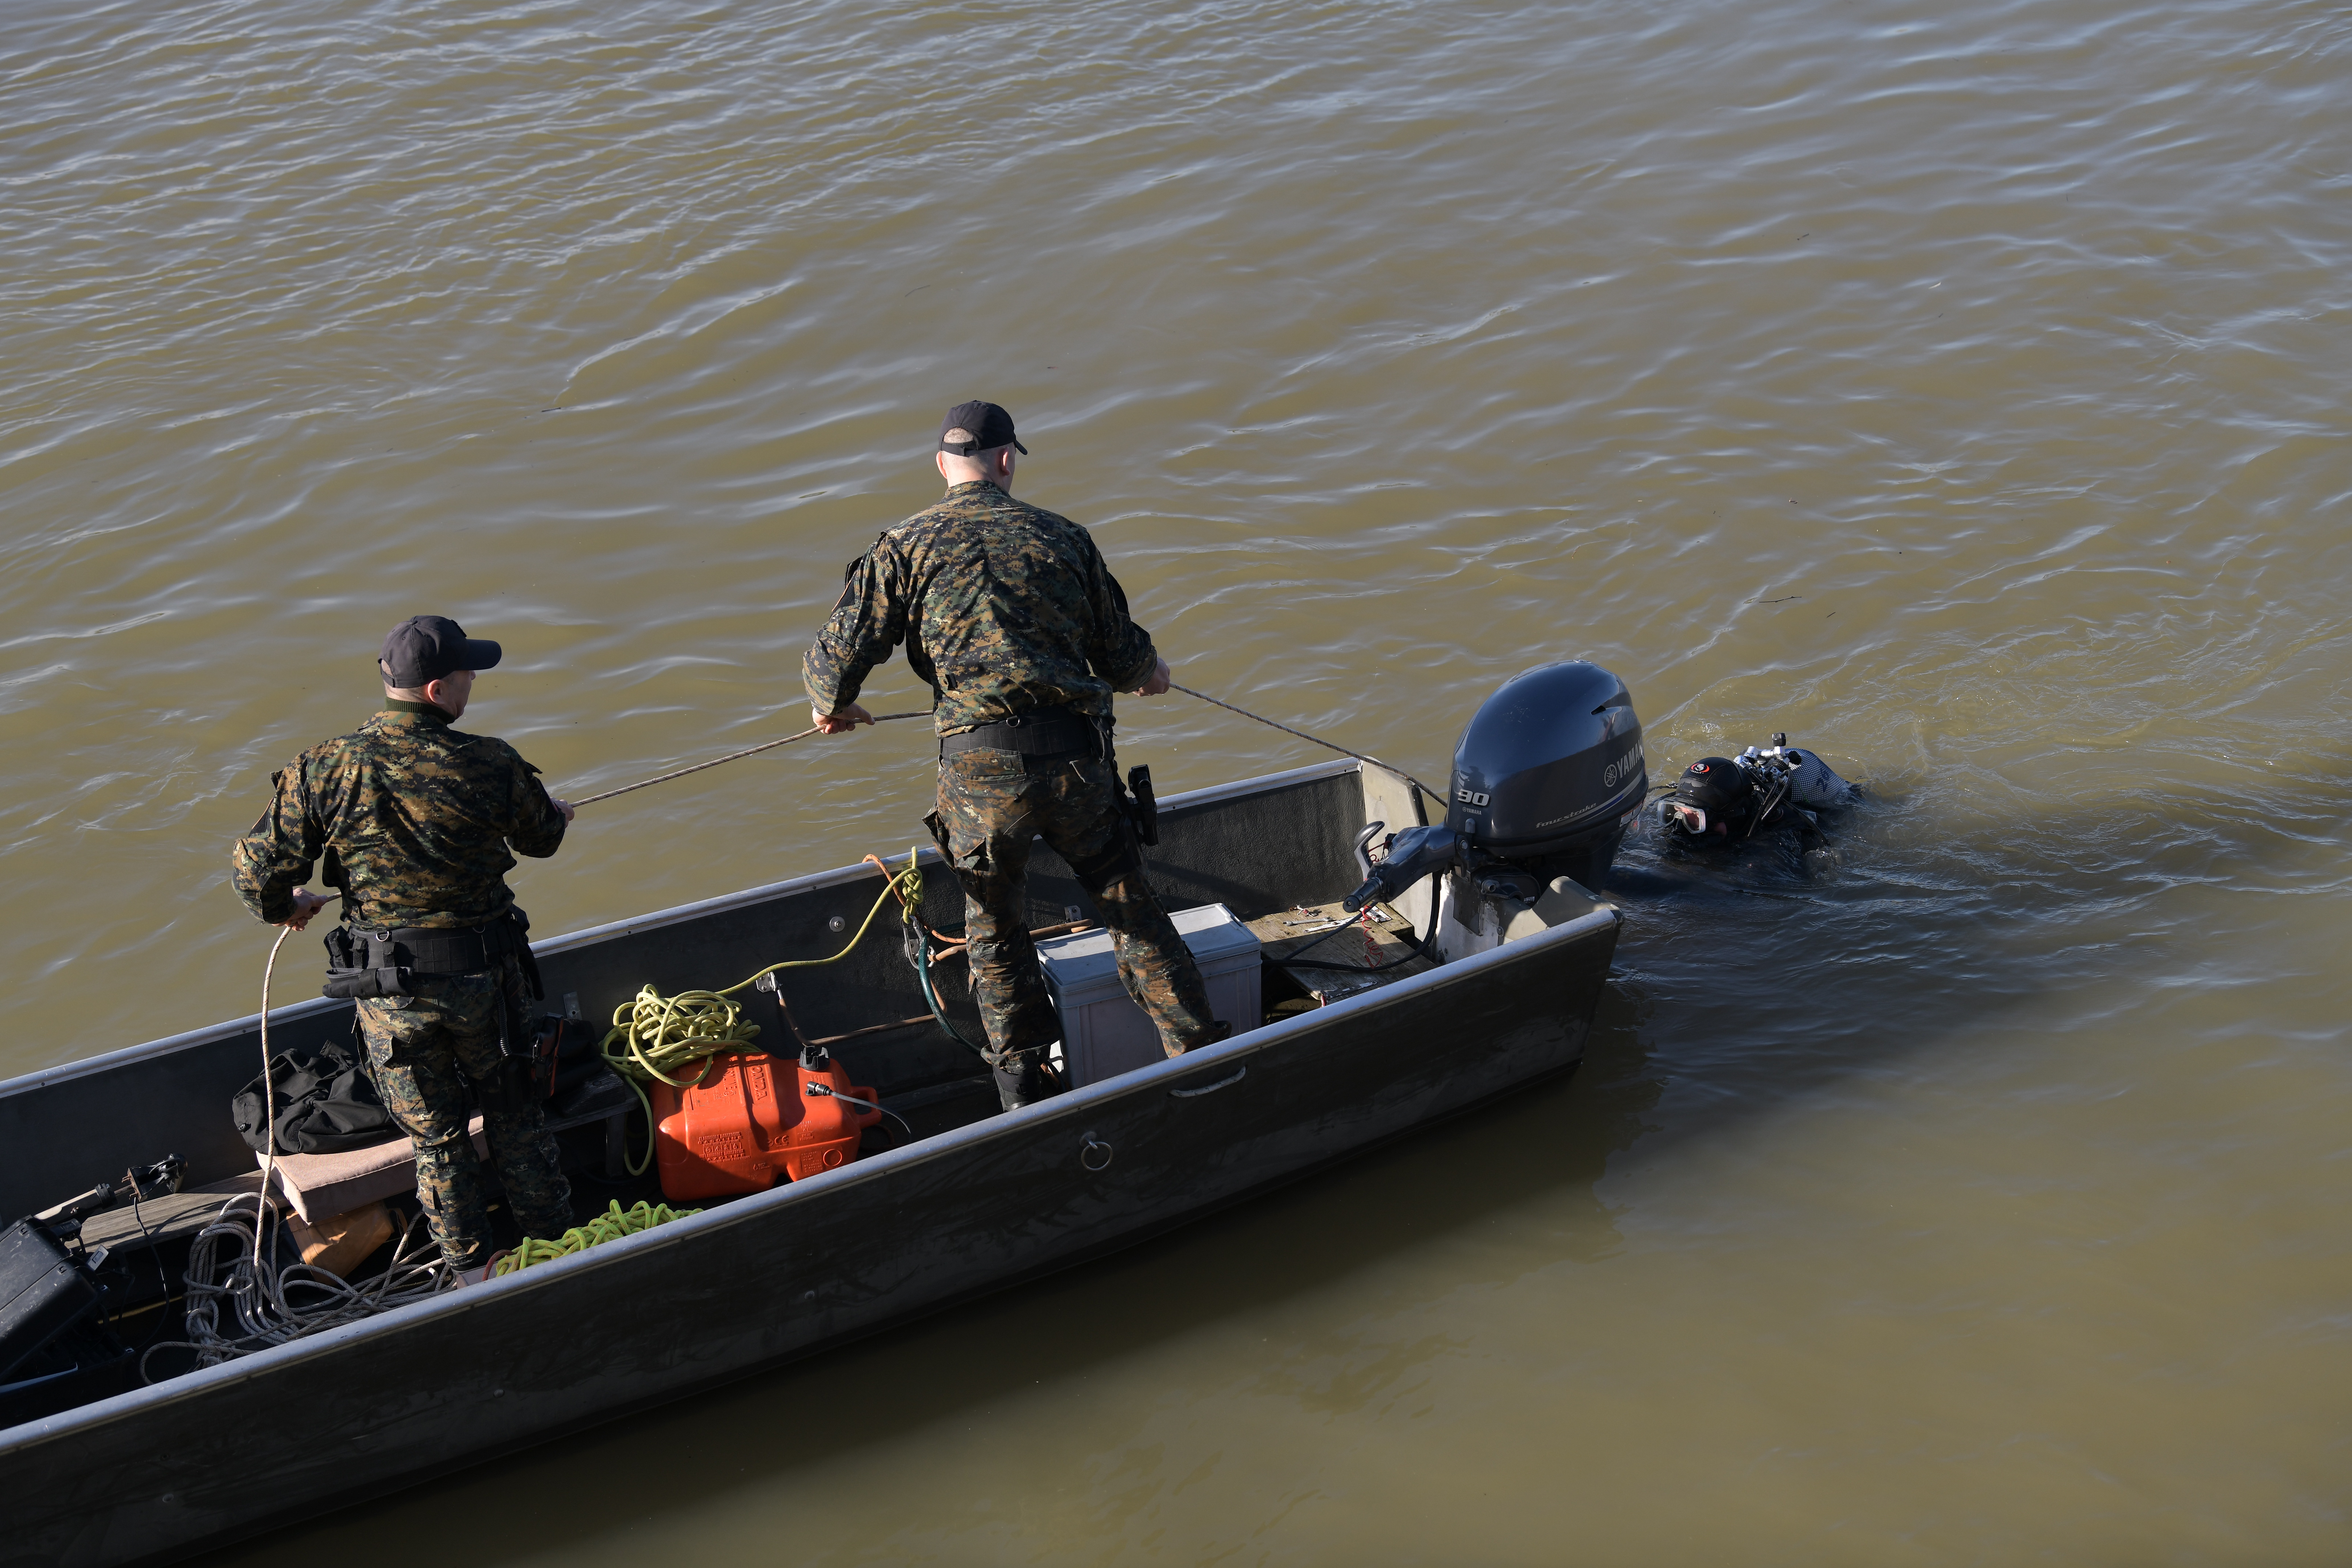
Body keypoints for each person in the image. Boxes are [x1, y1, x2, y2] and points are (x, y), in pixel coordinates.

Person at [802, 400, 1228, 1109]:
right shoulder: (1064, 539)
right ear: (1007, 461)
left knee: (995, 929)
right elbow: (1125, 658)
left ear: (942, 465)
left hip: (979, 776)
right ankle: (1199, 1057)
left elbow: (833, 663)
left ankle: (1022, 1091)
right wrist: (1152, 671)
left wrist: (833, 706)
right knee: (1129, 906)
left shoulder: (903, 547)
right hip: (1075, 764)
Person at [230, 614, 577, 1282]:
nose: (475, 682)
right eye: (469, 674)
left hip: (394, 997)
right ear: (438, 690)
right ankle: (561, 1247)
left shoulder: (324, 769)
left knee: (439, 1138)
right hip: (485, 986)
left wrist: (288, 906)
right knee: (513, 1113)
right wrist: (554, 812)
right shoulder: (489, 761)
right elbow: (540, 839)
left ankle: (468, 1271)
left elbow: (254, 873)